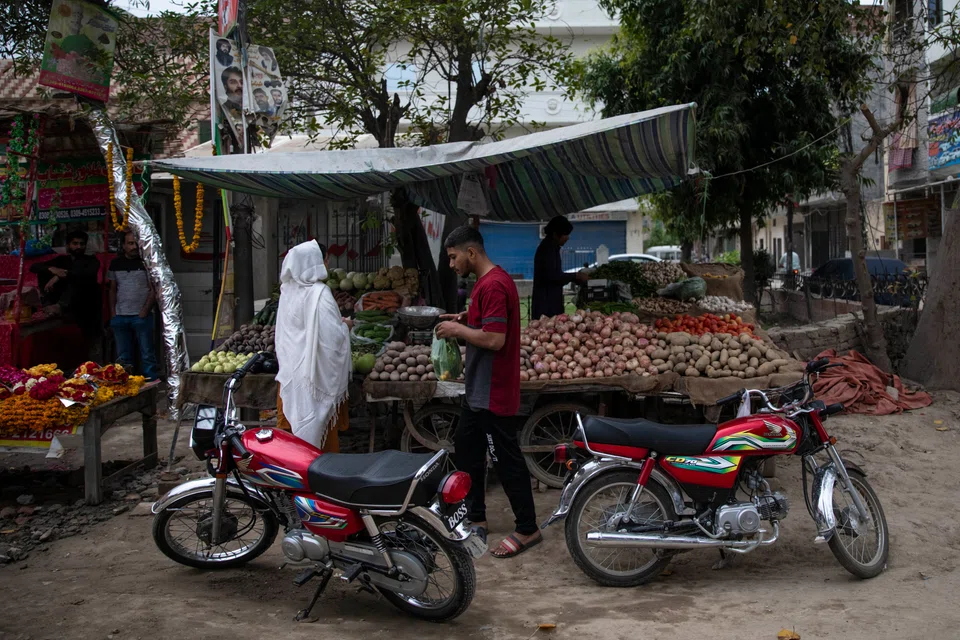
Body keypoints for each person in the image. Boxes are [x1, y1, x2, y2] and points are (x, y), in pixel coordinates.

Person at [435, 226, 541, 559]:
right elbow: (489, 322)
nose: (451, 265)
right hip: (478, 392)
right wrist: (467, 318)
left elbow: (496, 340)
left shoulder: (494, 284)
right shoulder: (485, 284)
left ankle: (528, 528)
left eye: (453, 257)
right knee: (467, 452)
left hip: (493, 392)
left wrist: (457, 330)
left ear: (471, 253)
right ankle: (475, 517)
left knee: (506, 460)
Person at [275, 240, 352, 452]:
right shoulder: (320, 293)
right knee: (319, 448)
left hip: (290, 377)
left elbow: (285, 335)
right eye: (324, 260)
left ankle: (292, 481)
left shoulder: (287, 291)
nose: (326, 263)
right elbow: (333, 340)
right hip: (314, 381)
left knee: (291, 444)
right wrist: (345, 327)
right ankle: (318, 480)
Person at [30, 230, 101, 340]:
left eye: (82, 244)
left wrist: (60, 275)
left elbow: (85, 273)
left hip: (84, 303)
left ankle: (60, 306)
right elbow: (34, 267)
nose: (79, 247)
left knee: (78, 278)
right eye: (75, 243)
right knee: (44, 271)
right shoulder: (62, 260)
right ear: (68, 245)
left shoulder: (91, 260)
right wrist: (52, 269)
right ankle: (48, 304)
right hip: (62, 297)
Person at [107, 231, 158, 381]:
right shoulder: (116, 264)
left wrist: (144, 311)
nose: (134, 247)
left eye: (136, 243)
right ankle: (125, 385)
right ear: (123, 245)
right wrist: (113, 313)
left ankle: (151, 386)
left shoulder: (146, 262)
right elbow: (112, 289)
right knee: (123, 356)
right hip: (120, 315)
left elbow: (153, 289)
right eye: (130, 243)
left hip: (141, 316)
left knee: (147, 354)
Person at [532, 216, 588, 319]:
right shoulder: (547, 249)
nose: (567, 238)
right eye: (565, 235)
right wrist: (576, 276)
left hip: (550, 301)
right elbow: (553, 276)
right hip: (546, 306)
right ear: (555, 234)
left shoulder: (552, 247)